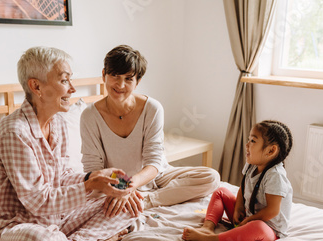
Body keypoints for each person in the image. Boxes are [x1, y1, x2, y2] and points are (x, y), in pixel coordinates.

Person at [0, 47, 135, 241]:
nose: (72, 88)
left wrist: (95, 177)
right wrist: (90, 186)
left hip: (55, 220)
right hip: (13, 227)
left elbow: (63, 176)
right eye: (64, 80)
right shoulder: (15, 132)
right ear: (36, 86)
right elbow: (37, 200)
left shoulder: (57, 123)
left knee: (129, 203)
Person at [80, 45, 220, 218]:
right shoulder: (89, 116)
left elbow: (154, 161)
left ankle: (145, 201)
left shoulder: (152, 108)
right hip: (114, 182)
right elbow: (94, 168)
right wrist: (122, 187)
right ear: (104, 75)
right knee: (93, 199)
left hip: (154, 176)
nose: (120, 84)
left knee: (211, 177)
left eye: (128, 79)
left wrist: (132, 185)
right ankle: (135, 197)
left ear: (137, 82)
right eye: (114, 76)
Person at [182, 120, 293, 241]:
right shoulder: (252, 164)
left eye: (253, 141)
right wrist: (238, 208)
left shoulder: (275, 175)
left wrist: (249, 220)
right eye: (248, 139)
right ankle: (207, 228)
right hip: (248, 216)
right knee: (221, 192)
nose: (246, 145)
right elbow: (243, 187)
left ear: (270, 151)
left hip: (269, 229)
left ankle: (212, 239)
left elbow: (272, 211)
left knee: (257, 227)